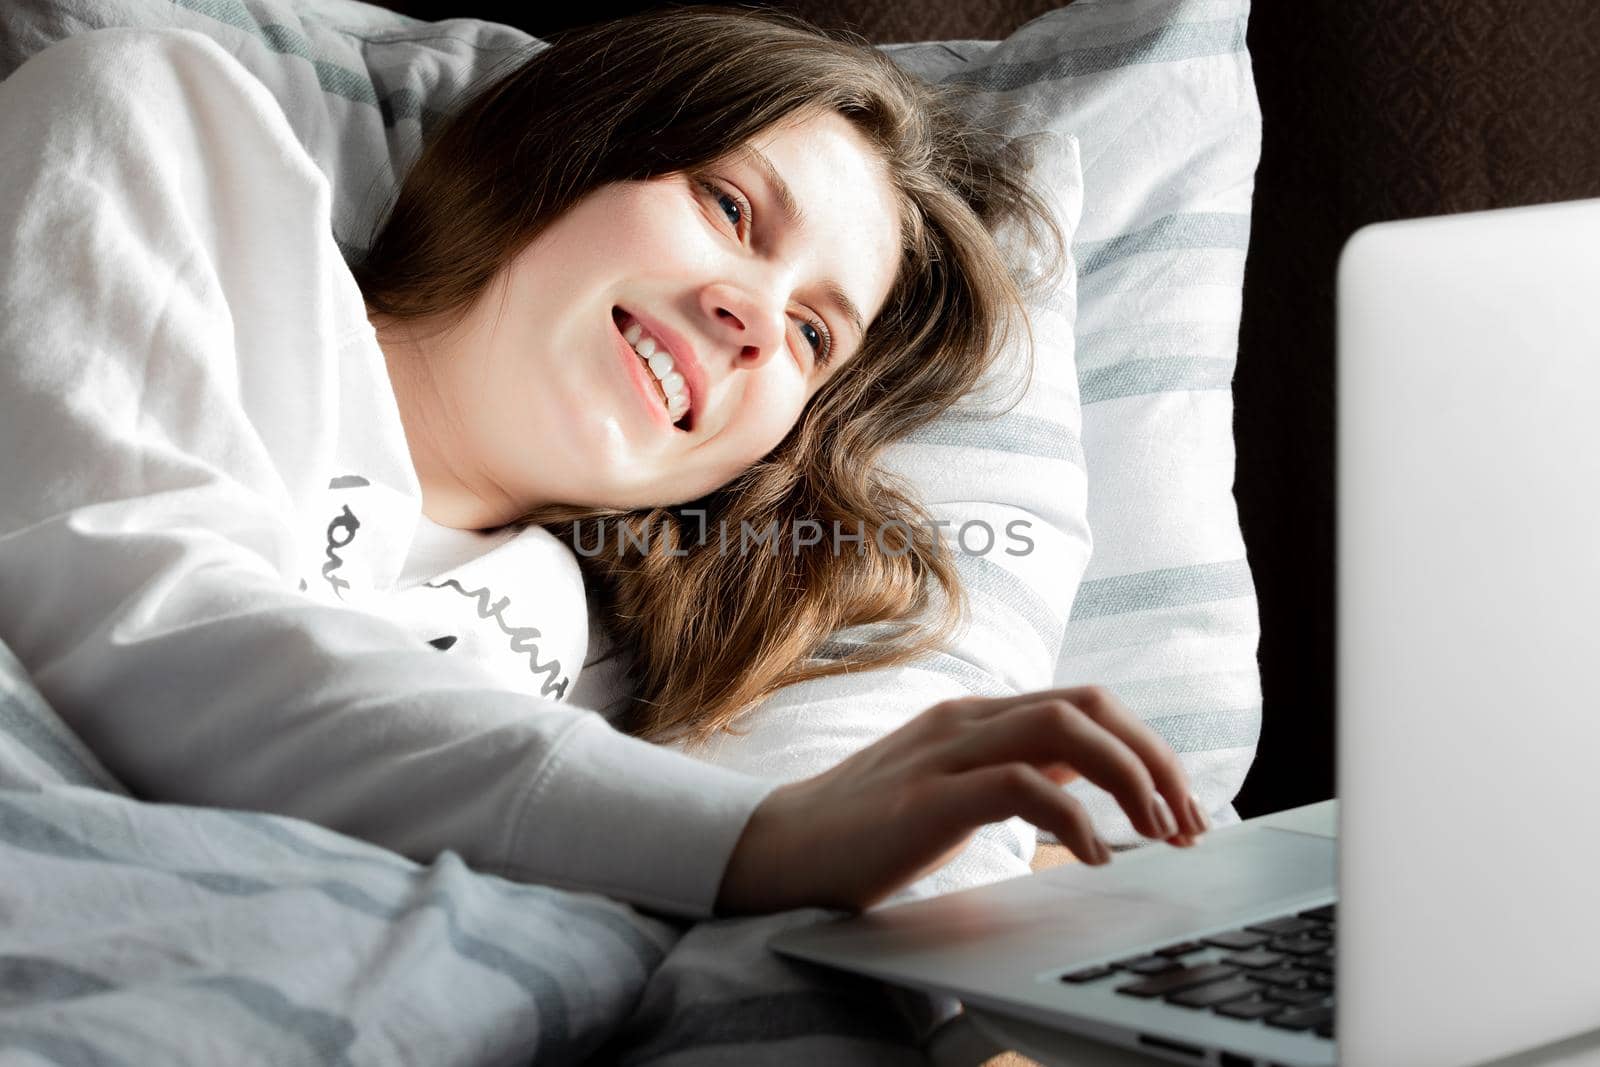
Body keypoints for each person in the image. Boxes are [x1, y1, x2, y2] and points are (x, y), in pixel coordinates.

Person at [0, 7, 1207, 927]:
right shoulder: (189, 144)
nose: (754, 317)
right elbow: (136, 611)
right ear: (562, 147)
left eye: (811, 335)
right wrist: (758, 842)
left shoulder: (601, 666)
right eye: (733, 210)